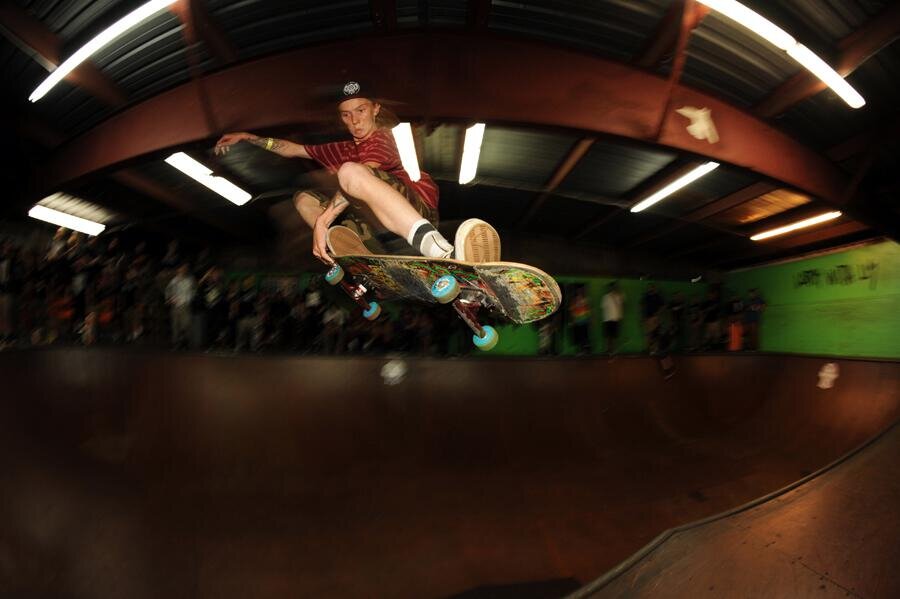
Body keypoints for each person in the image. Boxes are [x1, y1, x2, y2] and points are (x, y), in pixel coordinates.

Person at [214, 80, 500, 264]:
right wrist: (249, 137)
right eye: (346, 115)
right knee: (303, 198)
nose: (354, 121)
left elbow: (360, 176)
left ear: (375, 109)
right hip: (376, 223)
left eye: (361, 110)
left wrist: (324, 220)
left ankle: (438, 249)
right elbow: (293, 149)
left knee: (350, 173)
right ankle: (350, 256)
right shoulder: (342, 148)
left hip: (416, 210)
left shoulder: (383, 139)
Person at [601, 281, 624, 356]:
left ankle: (614, 350)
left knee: (615, 336)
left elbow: (621, 307)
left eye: (615, 287)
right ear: (610, 288)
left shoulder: (619, 296)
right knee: (608, 335)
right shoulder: (606, 297)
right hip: (607, 318)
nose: (614, 288)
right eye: (612, 287)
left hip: (616, 318)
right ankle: (608, 350)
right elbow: (603, 307)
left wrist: (620, 316)